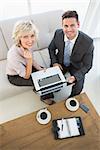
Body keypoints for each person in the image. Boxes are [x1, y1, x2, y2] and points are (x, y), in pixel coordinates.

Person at [6, 20, 54, 105]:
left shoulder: (28, 45)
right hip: (16, 76)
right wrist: (29, 60)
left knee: (44, 73)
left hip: (27, 66)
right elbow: (26, 76)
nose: (30, 40)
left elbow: (32, 60)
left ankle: (42, 90)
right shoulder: (12, 55)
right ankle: (44, 98)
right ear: (19, 38)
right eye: (25, 37)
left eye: (32, 36)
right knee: (40, 81)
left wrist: (40, 68)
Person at [48, 10, 94, 97]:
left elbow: (88, 65)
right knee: (51, 81)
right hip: (60, 62)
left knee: (79, 87)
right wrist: (55, 63)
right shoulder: (58, 33)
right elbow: (51, 48)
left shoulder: (88, 42)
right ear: (62, 26)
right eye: (66, 26)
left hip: (76, 66)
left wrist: (75, 77)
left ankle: (71, 99)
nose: (69, 29)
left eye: (72, 25)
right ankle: (50, 95)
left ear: (78, 24)